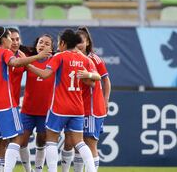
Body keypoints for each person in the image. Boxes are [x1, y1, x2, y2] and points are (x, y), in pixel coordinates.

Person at [0, 27, 51, 172]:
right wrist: (38, 56)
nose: (12, 41)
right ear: (3, 39)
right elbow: (15, 63)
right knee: (18, 138)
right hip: (4, 103)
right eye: (10, 38)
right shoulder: (5, 52)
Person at [26, 29, 100, 172]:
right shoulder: (84, 59)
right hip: (77, 108)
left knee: (51, 140)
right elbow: (96, 78)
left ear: (64, 43)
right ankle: (91, 170)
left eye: (59, 42)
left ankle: (52, 170)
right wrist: (88, 74)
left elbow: (45, 74)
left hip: (59, 107)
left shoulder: (60, 57)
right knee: (79, 142)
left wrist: (29, 65)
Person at [62, 27, 112, 172]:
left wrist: (106, 100)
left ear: (88, 42)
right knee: (74, 143)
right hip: (75, 107)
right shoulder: (70, 57)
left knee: (89, 143)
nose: (79, 44)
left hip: (91, 108)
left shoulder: (94, 59)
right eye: (76, 41)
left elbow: (105, 80)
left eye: (82, 41)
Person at [19, 34, 55, 172]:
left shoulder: (55, 61)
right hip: (28, 109)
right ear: (36, 45)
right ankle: (28, 170)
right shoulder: (29, 60)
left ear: (52, 48)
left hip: (45, 111)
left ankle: (38, 169)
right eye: (40, 42)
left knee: (41, 141)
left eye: (47, 43)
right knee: (21, 142)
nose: (43, 45)